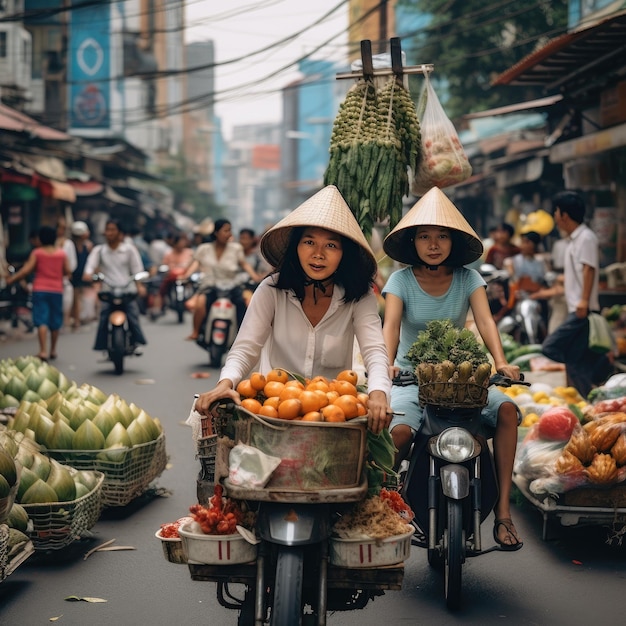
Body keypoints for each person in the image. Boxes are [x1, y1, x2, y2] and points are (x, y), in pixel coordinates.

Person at [381, 187, 523, 549]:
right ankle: (378, 505)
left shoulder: (468, 278)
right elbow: (391, 327)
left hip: (460, 377)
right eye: (425, 237)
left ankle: (504, 513)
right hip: (413, 379)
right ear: (413, 242)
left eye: (441, 236)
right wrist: (385, 366)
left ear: (453, 241)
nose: (433, 244)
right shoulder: (400, 280)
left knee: (507, 410)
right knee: (397, 434)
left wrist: (501, 362)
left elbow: (486, 322)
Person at [193, 186, 392, 434]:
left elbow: (374, 350)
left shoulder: (359, 296)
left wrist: (379, 393)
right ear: (296, 247)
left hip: (333, 413)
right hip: (272, 411)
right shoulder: (272, 289)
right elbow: (245, 348)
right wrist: (226, 382)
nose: (318, 254)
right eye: (309, 242)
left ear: (344, 254)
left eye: (331, 246)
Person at [531, 191, 613, 397]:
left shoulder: (586, 238)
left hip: (581, 310)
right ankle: (583, 397)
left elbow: (589, 269)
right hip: (576, 308)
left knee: (551, 346)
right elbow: (576, 276)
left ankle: (602, 361)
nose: (555, 217)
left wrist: (584, 301)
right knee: (576, 363)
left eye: (556, 212)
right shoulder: (572, 241)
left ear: (564, 215)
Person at [181, 219, 261, 341]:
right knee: (200, 303)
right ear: (216, 232)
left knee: (243, 306)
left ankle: (242, 336)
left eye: (230, 230)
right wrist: (186, 275)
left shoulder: (236, 248)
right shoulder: (204, 249)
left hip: (232, 285)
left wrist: (254, 276)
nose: (229, 233)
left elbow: (244, 264)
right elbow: (195, 264)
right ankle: (196, 331)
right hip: (210, 285)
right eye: (225, 230)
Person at [6, 225, 72, 360]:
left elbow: (26, 270)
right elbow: (68, 271)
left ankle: (43, 350)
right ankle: (53, 350)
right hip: (56, 290)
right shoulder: (61, 254)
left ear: (40, 239)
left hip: (40, 289)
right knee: (55, 320)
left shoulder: (38, 253)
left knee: (41, 319)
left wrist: (12, 279)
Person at [82, 219, 147, 353]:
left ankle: (137, 341)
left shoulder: (129, 250)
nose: (109, 233)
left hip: (127, 290)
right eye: (107, 230)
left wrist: (139, 285)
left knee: (133, 315)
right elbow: (89, 268)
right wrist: (89, 275)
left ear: (120, 233)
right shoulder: (99, 250)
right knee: (104, 316)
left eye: (112, 230)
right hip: (108, 290)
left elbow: (137, 269)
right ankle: (101, 344)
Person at [153, 232, 194, 312]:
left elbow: (194, 264)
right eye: (180, 242)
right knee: (162, 288)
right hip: (172, 277)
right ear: (175, 243)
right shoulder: (169, 254)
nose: (182, 244)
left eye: (183, 242)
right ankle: (158, 306)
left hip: (186, 276)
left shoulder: (189, 253)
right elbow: (164, 264)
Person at [69, 221, 93, 329]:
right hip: (73, 275)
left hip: (82, 275)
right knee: (74, 296)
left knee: (79, 296)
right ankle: (75, 319)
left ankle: (78, 318)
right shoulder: (70, 246)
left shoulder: (87, 246)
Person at [56, 216, 78, 327]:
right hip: (53, 278)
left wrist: (67, 271)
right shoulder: (51, 243)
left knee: (66, 302)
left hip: (64, 278)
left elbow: (72, 262)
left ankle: (66, 322)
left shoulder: (68, 244)